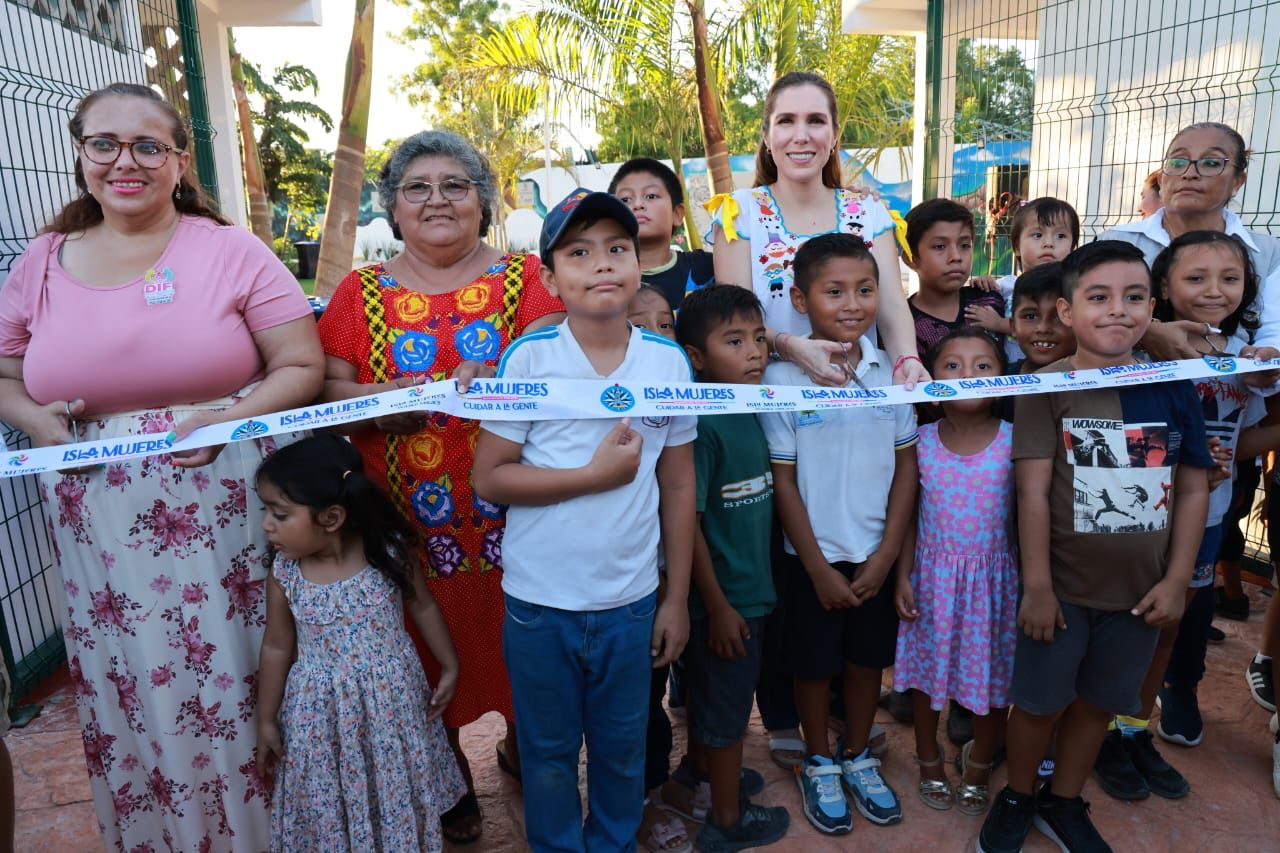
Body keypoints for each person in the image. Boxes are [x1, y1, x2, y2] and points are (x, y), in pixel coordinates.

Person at [0, 83, 323, 851]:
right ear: (79, 154)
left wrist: (231, 414)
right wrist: (33, 419)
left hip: (227, 508)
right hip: (98, 529)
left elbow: (300, 363)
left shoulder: (230, 249)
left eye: (149, 146)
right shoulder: (42, 261)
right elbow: (4, 372)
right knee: (138, 684)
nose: (126, 162)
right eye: (104, 143)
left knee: (240, 676)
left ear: (179, 161)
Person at [316, 130, 565, 844]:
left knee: (525, 647)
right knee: (421, 654)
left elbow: (555, 357)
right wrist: (373, 397)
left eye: (455, 184)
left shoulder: (525, 279)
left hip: (518, 519)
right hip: (407, 526)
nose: (436, 199)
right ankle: (449, 778)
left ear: (482, 201)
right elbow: (331, 382)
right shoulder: (361, 291)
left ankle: (525, 751)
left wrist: (505, 381)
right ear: (392, 207)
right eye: (416, 186)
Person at [472, 188, 695, 852]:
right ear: (549, 277)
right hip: (541, 604)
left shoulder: (667, 362)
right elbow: (491, 476)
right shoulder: (529, 360)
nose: (602, 264)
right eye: (579, 252)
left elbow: (679, 481)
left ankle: (615, 842)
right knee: (546, 753)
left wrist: (675, 596)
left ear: (639, 264)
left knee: (624, 748)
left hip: (631, 602)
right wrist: (591, 476)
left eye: (617, 249)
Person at [977, 241, 1212, 853]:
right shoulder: (1043, 387)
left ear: (1152, 306)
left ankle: (1064, 802)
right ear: (1065, 310)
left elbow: (1190, 490)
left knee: (1097, 705)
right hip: (1059, 594)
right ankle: (1018, 796)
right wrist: (1037, 586)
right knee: (1036, 706)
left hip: (1139, 596)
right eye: (1098, 297)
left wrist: (1176, 579)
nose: (1118, 311)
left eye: (1134, 297)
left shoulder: (1172, 384)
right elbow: (1030, 493)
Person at [758, 233, 918, 834]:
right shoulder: (782, 380)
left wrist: (885, 555)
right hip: (810, 561)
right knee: (811, 665)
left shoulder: (892, 374)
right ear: (801, 299)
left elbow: (907, 470)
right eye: (835, 291)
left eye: (866, 289)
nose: (853, 303)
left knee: (866, 663)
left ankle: (856, 755)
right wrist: (818, 566)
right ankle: (819, 761)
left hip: (874, 555)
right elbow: (784, 483)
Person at [1094, 232, 1264, 800]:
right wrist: (1186, 461)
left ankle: (1131, 732)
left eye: (1230, 278)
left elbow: (1247, 436)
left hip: (1208, 518)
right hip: (1138, 517)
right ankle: (1092, 733)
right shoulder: (1136, 349)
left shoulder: (1248, 353)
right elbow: (1107, 434)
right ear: (1162, 286)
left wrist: (1216, 461)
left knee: (1164, 631)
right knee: (1114, 628)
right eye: (1196, 278)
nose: (1215, 291)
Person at [254, 435, 466, 852]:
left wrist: (450, 665)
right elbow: (277, 646)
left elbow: (422, 606)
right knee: (333, 806)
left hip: (391, 709)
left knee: (393, 796)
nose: (266, 524)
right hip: (321, 718)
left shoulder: (386, 553)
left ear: (331, 517)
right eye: (267, 512)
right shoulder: (287, 573)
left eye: (279, 514)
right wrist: (266, 718)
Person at [706, 71, 929, 388]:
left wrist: (908, 360)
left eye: (815, 120)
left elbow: (891, 305)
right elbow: (736, 322)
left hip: (857, 395)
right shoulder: (739, 213)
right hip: (771, 402)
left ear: (835, 133)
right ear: (767, 136)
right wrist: (791, 347)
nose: (801, 135)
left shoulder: (870, 212)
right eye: (786, 121)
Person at [665, 284, 789, 850]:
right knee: (727, 712)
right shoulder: (704, 422)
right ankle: (727, 819)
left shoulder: (749, 406)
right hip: (723, 601)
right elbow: (686, 523)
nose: (755, 352)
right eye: (734, 341)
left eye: (760, 338)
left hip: (750, 592)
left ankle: (698, 774)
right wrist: (714, 606)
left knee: (722, 703)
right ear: (696, 357)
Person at [894, 329, 1018, 817]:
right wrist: (903, 575)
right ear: (930, 377)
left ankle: (980, 765)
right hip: (934, 583)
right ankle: (929, 762)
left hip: (995, 588)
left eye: (983, 366)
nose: (967, 376)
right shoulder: (920, 442)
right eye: (952, 366)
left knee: (991, 684)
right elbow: (907, 519)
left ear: (1004, 379)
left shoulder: (1015, 441)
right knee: (929, 683)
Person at [1100, 122, 1280, 361]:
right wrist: (1145, 332)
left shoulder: (1267, 252)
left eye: (1211, 163)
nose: (1189, 173)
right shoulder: (1115, 242)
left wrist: (1264, 360)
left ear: (1238, 182)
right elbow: (1080, 313)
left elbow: (1273, 332)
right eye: (1177, 162)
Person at [969, 197, 1079, 363]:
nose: (1049, 243)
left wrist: (999, 324)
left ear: (1073, 247)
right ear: (1016, 247)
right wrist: (981, 282)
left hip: (1058, 374)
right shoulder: (1006, 286)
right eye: (1037, 235)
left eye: (1061, 236)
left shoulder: (1073, 289)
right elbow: (984, 295)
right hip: (1011, 377)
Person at [904, 198, 1007, 360]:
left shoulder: (990, 300)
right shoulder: (902, 324)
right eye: (940, 246)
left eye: (965, 245)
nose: (956, 257)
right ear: (910, 258)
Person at [611, 157, 715, 308]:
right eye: (626, 199)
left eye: (651, 196)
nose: (638, 204)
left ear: (677, 214)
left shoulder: (708, 268)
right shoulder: (605, 278)